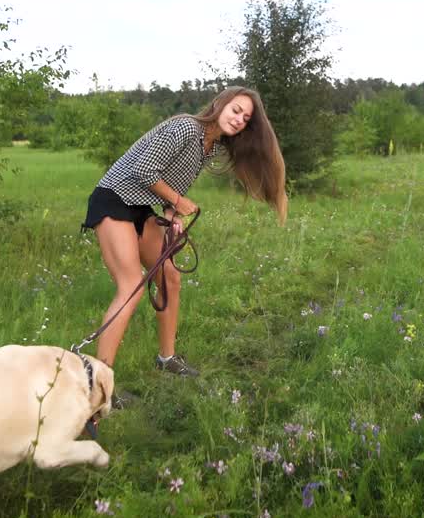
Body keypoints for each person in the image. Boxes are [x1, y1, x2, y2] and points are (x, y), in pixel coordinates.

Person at [81, 86, 287, 405]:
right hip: (113, 199)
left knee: (170, 277)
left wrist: (172, 214)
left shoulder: (208, 146)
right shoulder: (185, 127)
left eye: (246, 118)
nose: (239, 119)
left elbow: (171, 185)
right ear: (220, 104)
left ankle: (167, 360)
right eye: (236, 110)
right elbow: (144, 170)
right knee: (131, 285)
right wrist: (180, 201)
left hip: (140, 207)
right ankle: (99, 387)